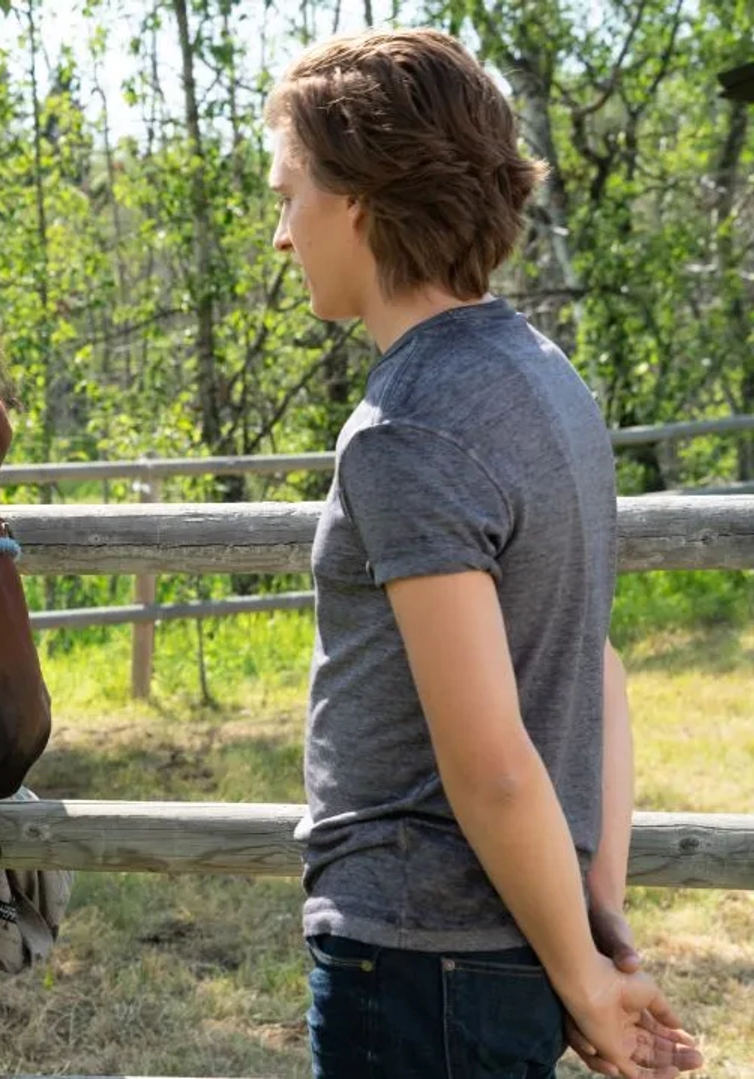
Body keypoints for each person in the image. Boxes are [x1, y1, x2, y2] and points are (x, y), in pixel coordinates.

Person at [263, 29, 703, 1079]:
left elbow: (495, 763)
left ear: (359, 198)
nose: (281, 234)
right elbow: (595, 668)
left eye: (289, 195)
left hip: (416, 962)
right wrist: (590, 924)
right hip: (498, 949)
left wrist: (588, 973)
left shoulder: (407, 424)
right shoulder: (545, 377)